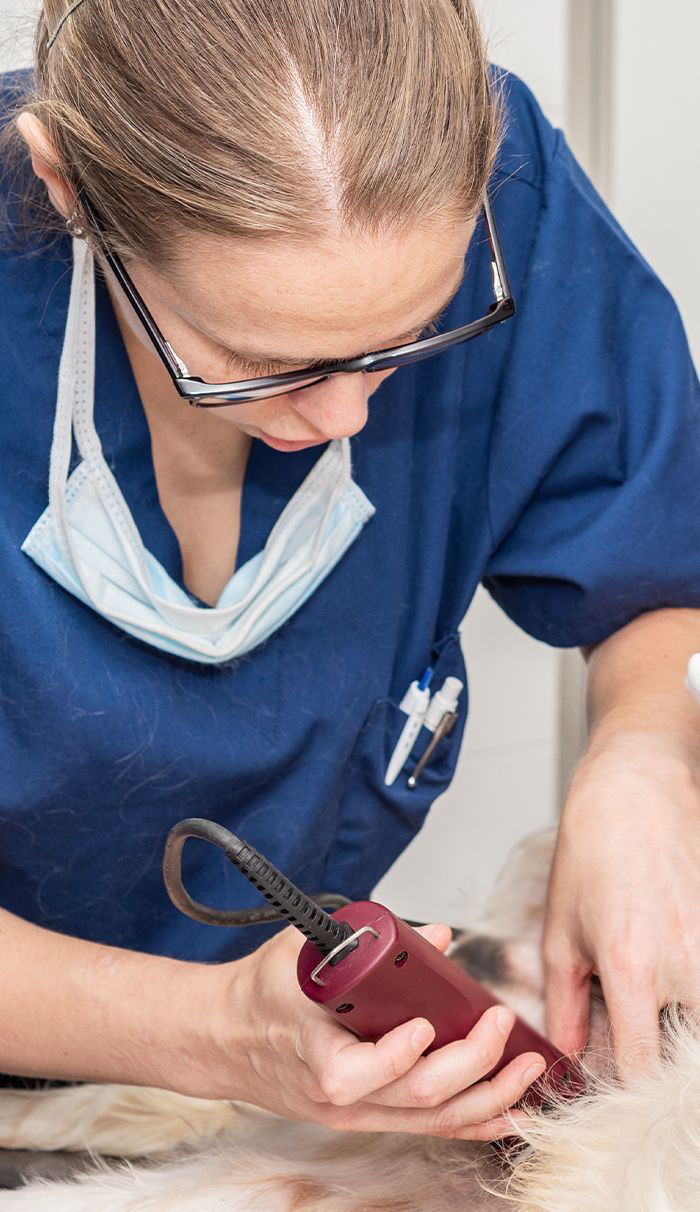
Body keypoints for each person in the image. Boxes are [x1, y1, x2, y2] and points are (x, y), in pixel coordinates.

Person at [0, 0, 698, 1145]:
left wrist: (642, 756)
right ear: (69, 185)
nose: (343, 414)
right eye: (256, 362)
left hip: (282, 1081)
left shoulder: (498, 192)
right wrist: (206, 1027)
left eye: (410, 337)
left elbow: (656, 549)